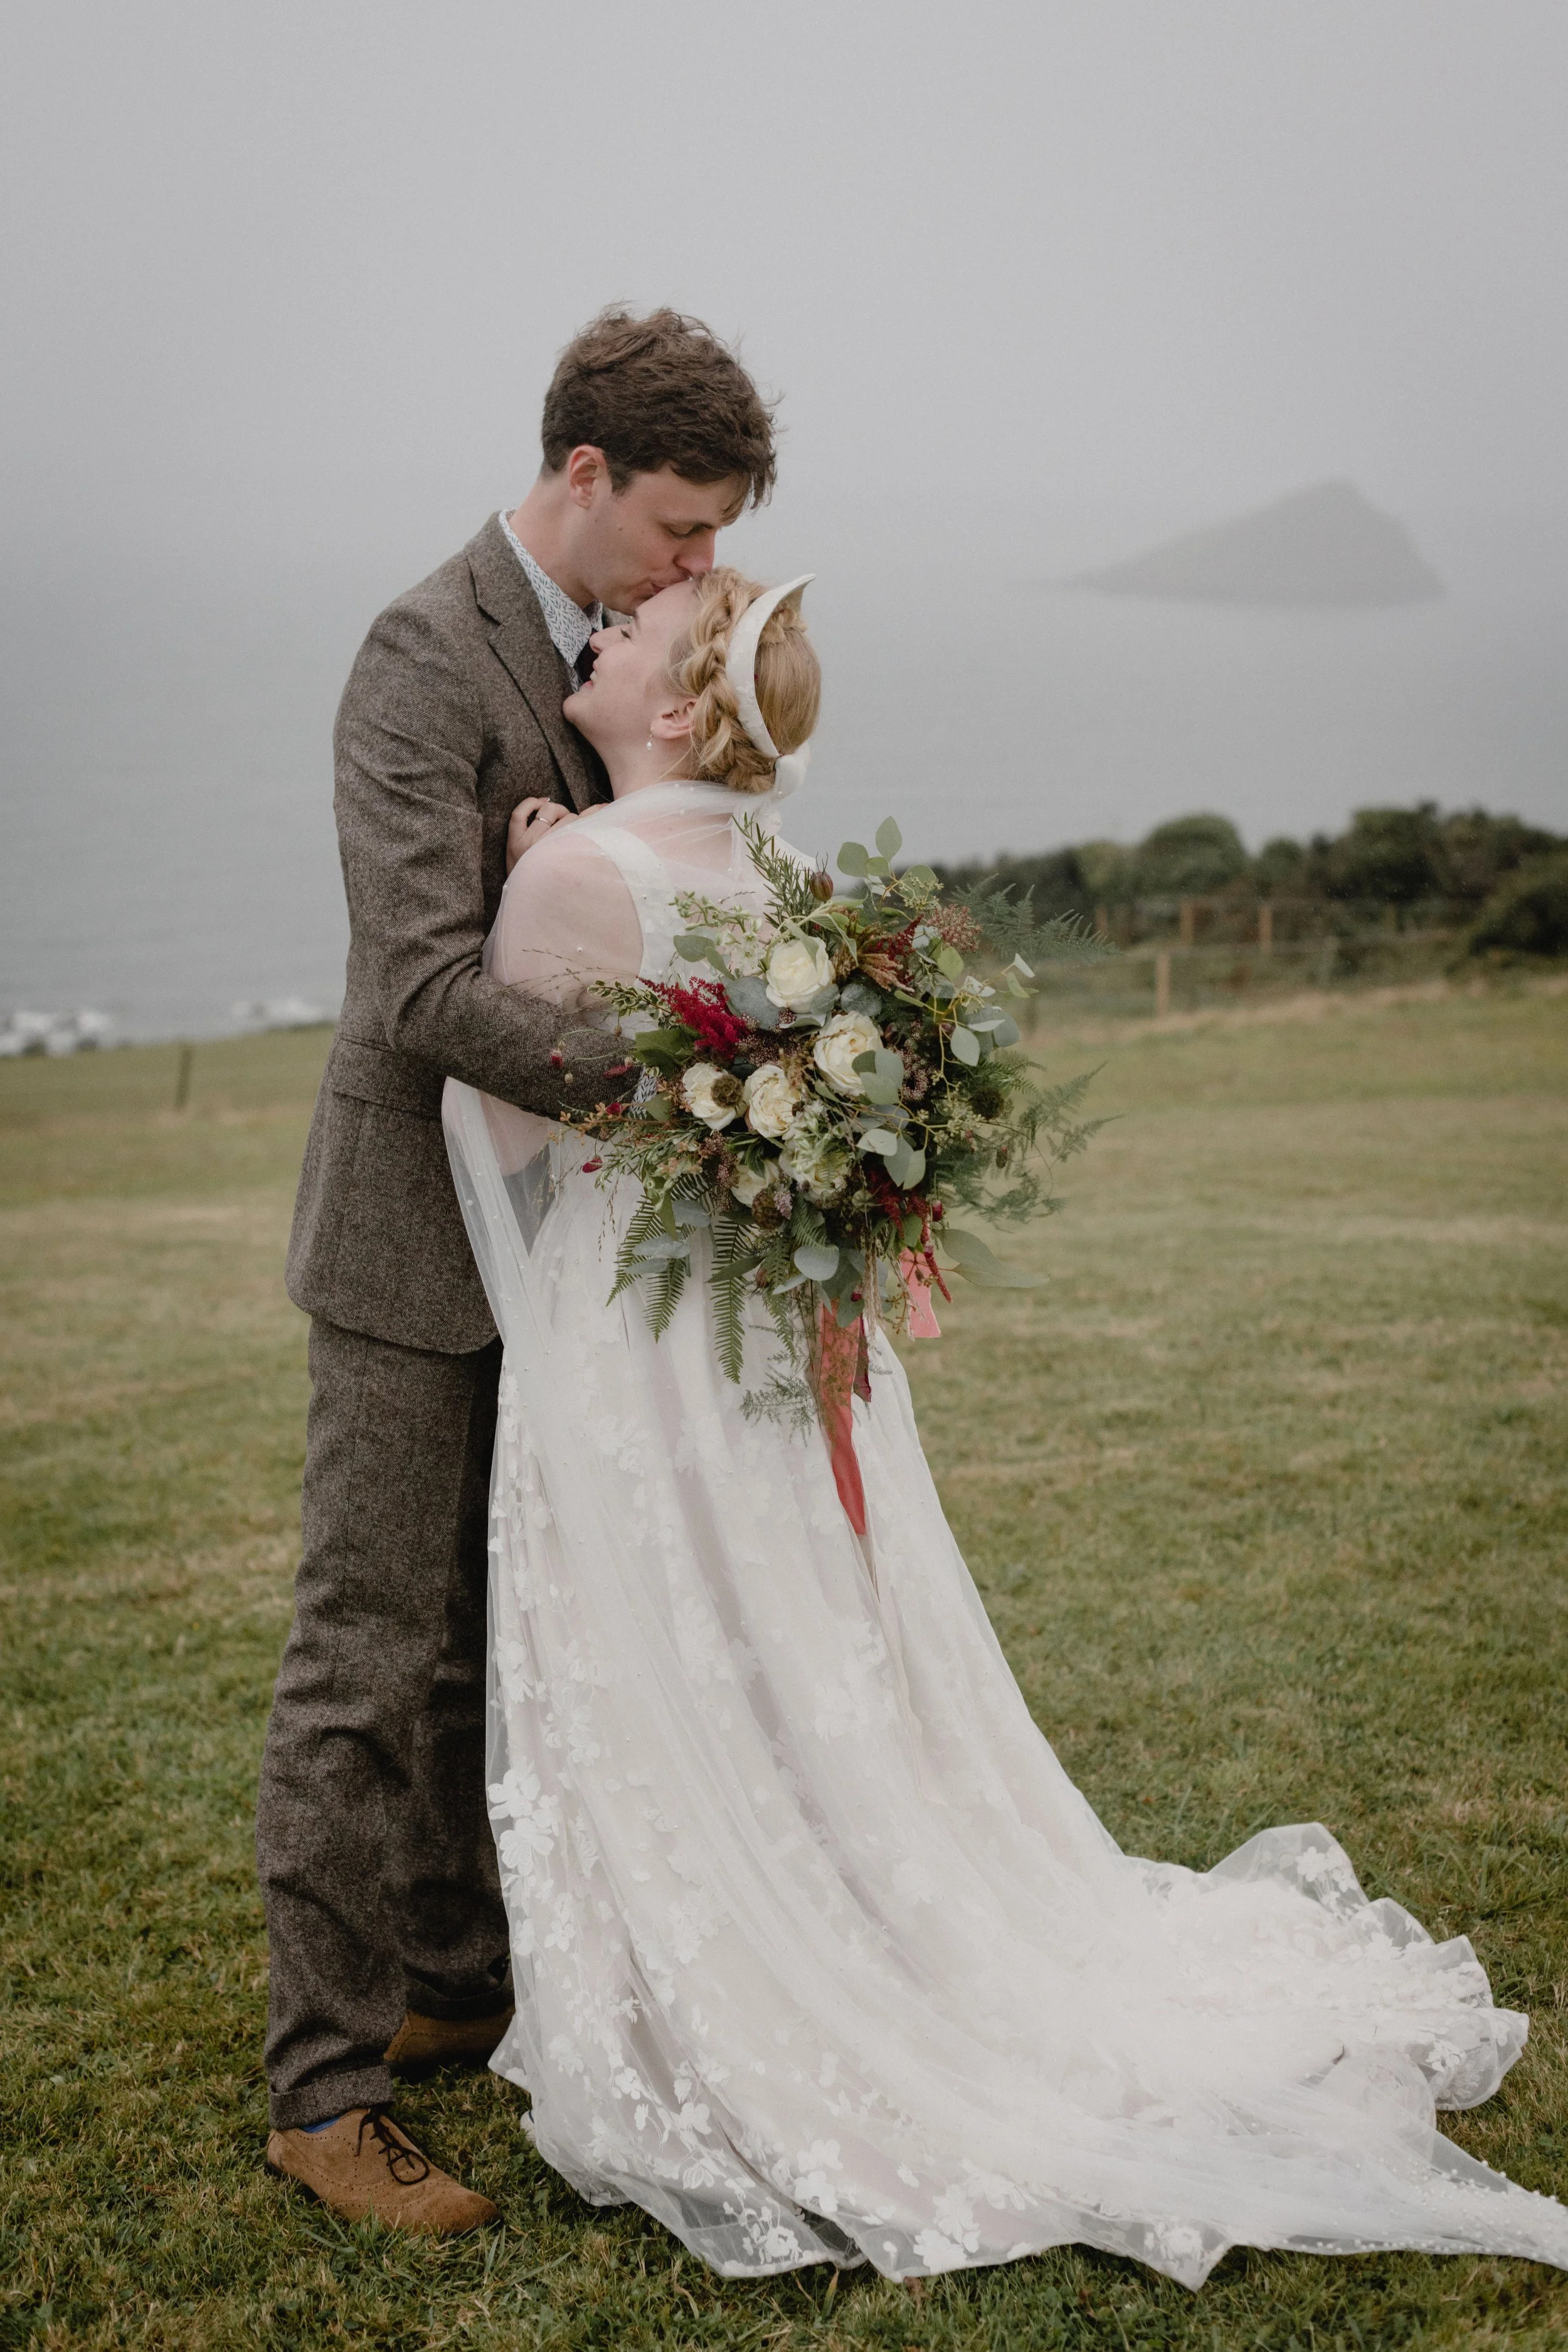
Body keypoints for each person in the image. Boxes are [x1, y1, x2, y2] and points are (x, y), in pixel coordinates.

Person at [439, 566, 1568, 2285]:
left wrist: (532, 876)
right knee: (795, 1629)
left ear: (671, 708)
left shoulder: (571, 875)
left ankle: (728, 1983)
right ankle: (839, 1908)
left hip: (641, 1335)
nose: (593, 636)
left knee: (665, 1637)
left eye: (630, 636)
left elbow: (504, 1149)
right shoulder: (795, 880)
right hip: (772, 1338)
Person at [258, 309, 777, 2233]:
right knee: (366, 1660)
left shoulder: (617, 657)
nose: (696, 571)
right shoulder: (418, 652)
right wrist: (705, 1065)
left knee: (496, 1636)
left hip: (573, 1261)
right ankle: (320, 2098)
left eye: (716, 537)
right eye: (676, 530)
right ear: (580, 476)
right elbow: (416, 989)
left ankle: (452, 1988)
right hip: (411, 1245)